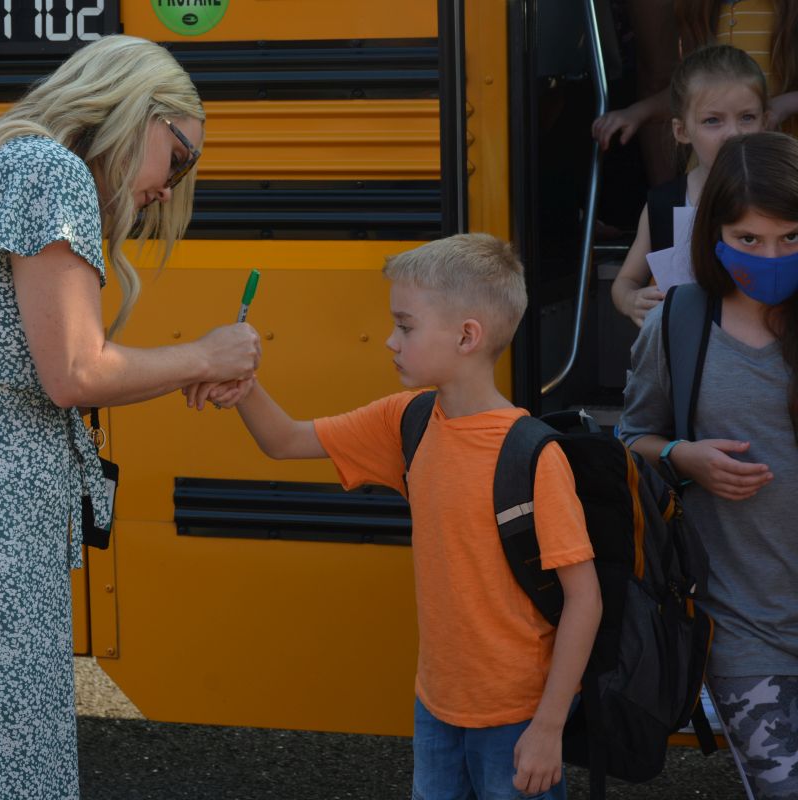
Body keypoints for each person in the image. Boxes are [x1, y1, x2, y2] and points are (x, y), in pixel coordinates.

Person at [0, 35, 261, 800]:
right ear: (136, 112)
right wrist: (205, 355)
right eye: (179, 157)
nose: (170, 187)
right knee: (2, 769)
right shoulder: (49, 172)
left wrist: (186, 368)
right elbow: (77, 373)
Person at [198, 234, 602, 799]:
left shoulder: (533, 455)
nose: (390, 340)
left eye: (405, 326)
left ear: (467, 336)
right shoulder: (407, 419)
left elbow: (585, 598)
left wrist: (549, 727)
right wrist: (244, 386)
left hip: (519, 718)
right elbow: (285, 440)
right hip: (436, 707)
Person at [619, 131, 798, 799]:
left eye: (791, 237)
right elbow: (631, 438)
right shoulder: (678, 324)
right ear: (712, 233)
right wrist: (680, 455)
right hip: (742, 628)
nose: (771, 257)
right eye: (748, 238)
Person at [611, 45, 768, 326]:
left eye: (747, 117)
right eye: (712, 120)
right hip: (686, 350)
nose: (733, 133)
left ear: (765, 122)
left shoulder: (782, 196)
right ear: (682, 131)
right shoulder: (664, 203)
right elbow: (626, 280)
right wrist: (630, 300)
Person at [594, 0, 798, 152]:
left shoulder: (788, 11)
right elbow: (693, 92)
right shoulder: (702, 9)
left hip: (778, 166)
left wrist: (785, 104)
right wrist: (638, 112)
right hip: (711, 170)